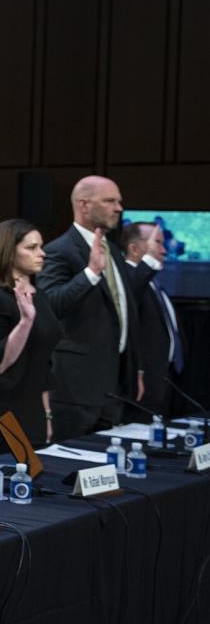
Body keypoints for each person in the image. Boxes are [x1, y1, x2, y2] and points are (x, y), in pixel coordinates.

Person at [36, 176, 161, 437]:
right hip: (76, 388)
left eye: (119, 201)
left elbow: (125, 309)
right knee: (71, 467)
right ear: (84, 205)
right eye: (110, 201)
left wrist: (134, 366)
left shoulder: (113, 250)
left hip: (114, 383)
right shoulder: (60, 250)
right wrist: (91, 273)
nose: (119, 208)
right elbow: (52, 305)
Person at [0, 220, 61, 459]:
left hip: (32, 408)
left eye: (41, 246)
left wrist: (47, 414)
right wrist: (25, 323)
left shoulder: (41, 297)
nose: (42, 253)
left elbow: (43, 361)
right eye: (32, 247)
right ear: (8, 252)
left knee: (33, 481)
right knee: (8, 485)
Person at [122, 221, 183, 416]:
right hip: (142, 383)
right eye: (157, 242)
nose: (164, 251)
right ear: (134, 248)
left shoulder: (153, 283)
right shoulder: (128, 279)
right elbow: (129, 299)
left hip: (165, 379)